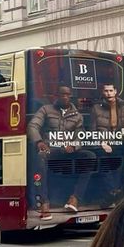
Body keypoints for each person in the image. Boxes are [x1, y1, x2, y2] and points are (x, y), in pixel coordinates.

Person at [26, 84, 93, 218]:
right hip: (51, 150)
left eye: (68, 94)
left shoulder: (77, 116)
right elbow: (32, 126)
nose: (65, 97)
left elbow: (80, 135)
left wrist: (73, 146)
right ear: (56, 96)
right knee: (40, 157)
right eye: (62, 94)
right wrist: (39, 142)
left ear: (71, 96)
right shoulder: (46, 109)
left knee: (90, 156)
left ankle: (74, 199)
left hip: (68, 151)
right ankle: (44, 203)